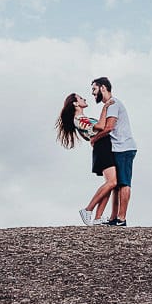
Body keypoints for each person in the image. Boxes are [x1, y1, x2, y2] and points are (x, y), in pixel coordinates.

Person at [56, 93, 118, 225]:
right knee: (112, 183)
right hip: (102, 148)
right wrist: (105, 107)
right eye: (80, 98)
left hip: (104, 146)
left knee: (110, 184)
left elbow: (98, 130)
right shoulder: (79, 119)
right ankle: (88, 210)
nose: (84, 99)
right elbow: (101, 126)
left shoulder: (83, 118)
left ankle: (97, 217)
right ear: (75, 103)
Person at [88, 76, 136, 226]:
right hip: (117, 148)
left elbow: (109, 128)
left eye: (94, 89)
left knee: (124, 183)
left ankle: (121, 219)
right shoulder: (109, 106)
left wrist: (94, 139)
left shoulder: (113, 104)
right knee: (115, 185)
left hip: (125, 147)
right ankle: (113, 218)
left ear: (103, 88)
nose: (93, 93)